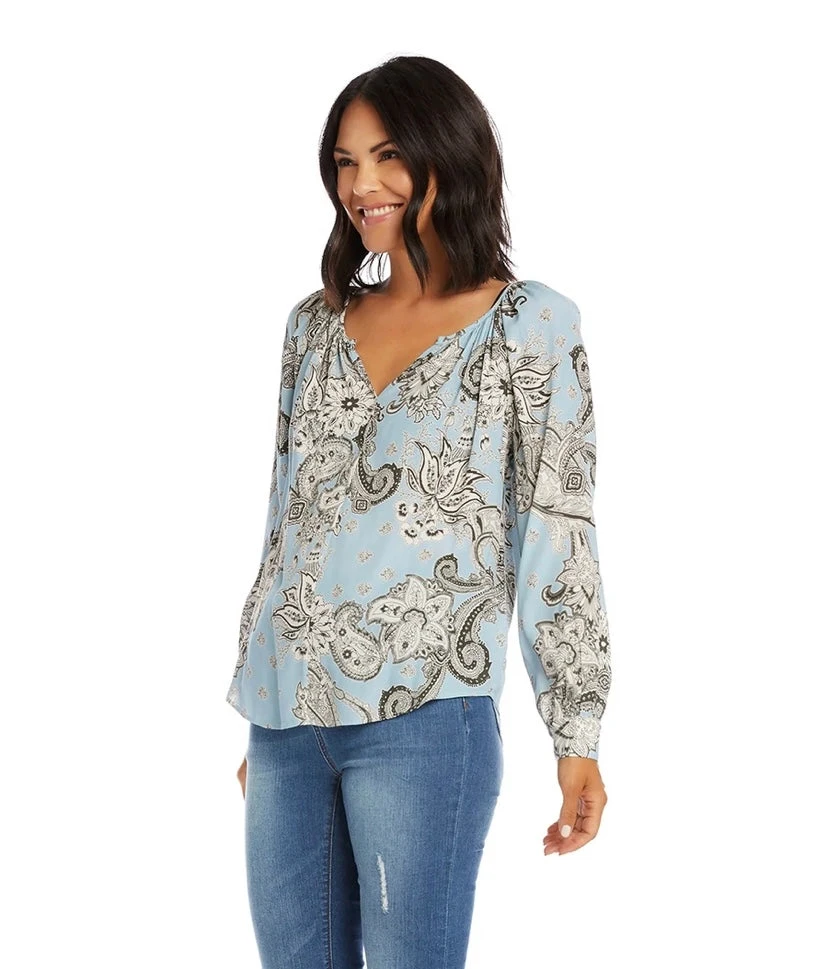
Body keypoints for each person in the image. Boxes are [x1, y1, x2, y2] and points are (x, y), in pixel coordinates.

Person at [226, 54, 612, 969]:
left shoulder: (528, 324)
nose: (361, 184)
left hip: (425, 720)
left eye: (388, 155)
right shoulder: (312, 325)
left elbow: (556, 530)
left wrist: (575, 734)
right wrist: (269, 698)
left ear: (451, 154)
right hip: (286, 724)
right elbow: (286, 519)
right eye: (345, 161)